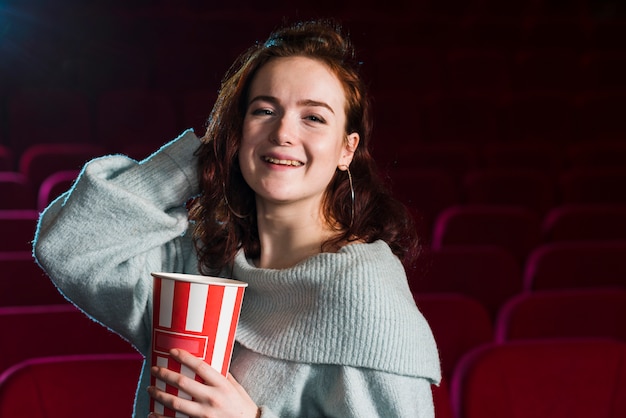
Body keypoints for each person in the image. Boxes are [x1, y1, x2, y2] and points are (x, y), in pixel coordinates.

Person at [33, 19, 441, 418]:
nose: (282, 132)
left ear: (346, 150)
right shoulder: (204, 259)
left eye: (314, 117)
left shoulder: (368, 298)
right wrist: (201, 160)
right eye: (264, 111)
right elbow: (69, 246)